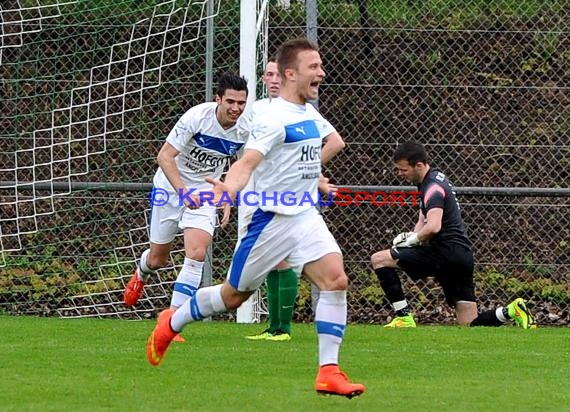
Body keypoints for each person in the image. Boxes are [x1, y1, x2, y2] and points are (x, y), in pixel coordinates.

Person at [146, 38, 365, 398]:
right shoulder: (271, 119)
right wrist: (227, 191)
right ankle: (173, 319)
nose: (322, 73)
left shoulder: (309, 113)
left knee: (336, 280)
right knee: (233, 296)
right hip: (269, 221)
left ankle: (329, 371)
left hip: (304, 216)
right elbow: (246, 163)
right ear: (291, 74)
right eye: (315, 67)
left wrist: (316, 180)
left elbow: (308, 155)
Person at [123, 73, 250, 343]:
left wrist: (228, 194)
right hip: (170, 188)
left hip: (205, 192)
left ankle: (172, 320)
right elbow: (164, 156)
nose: (236, 108)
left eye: (241, 102)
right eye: (230, 101)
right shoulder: (197, 117)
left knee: (196, 253)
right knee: (158, 259)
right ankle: (141, 272)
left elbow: (242, 166)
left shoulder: (245, 128)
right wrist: (182, 192)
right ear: (218, 99)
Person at [370, 141, 536, 329]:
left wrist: (413, 240)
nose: (400, 174)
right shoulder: (433, 181)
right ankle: (512, 311)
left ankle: (404, 317)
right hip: (461, 255)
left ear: (419, 165)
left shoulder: (432, 188)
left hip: (444, 253)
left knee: (379, 259)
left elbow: (433, 226)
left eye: (403, 169)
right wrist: (410, 238)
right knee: (469, 323)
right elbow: (423, 219)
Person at [244, 58, 346, 342]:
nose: (274, 79)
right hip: (258, 189)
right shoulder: (257, 110)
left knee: (283, 261)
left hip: (286, 198)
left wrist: (312, 174)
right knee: (265, 268)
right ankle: (275, 326)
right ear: (263, 79)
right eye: (269, 74)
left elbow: (336, 141)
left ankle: (282, 327)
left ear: (289, 77)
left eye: (278, 74)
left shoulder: (303, 112)